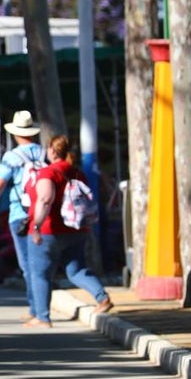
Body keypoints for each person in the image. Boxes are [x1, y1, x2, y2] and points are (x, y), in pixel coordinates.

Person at [25, 134, 113, 327]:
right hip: (76, 230)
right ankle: (102, 297)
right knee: (76, 270)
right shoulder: (77, 173)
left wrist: (36, 226)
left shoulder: (48, 172)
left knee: (40, 274)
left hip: (49, 230)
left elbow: (45, 199)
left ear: (52, 150)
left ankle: (42, 317)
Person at [0, 110, 46, 319]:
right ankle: (41, 307)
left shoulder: (12, 157)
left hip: (20, 214)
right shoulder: (44, 153)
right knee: (41, 263)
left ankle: (36, 310)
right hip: (43, 213)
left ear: (15, 133)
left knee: (27, 265)